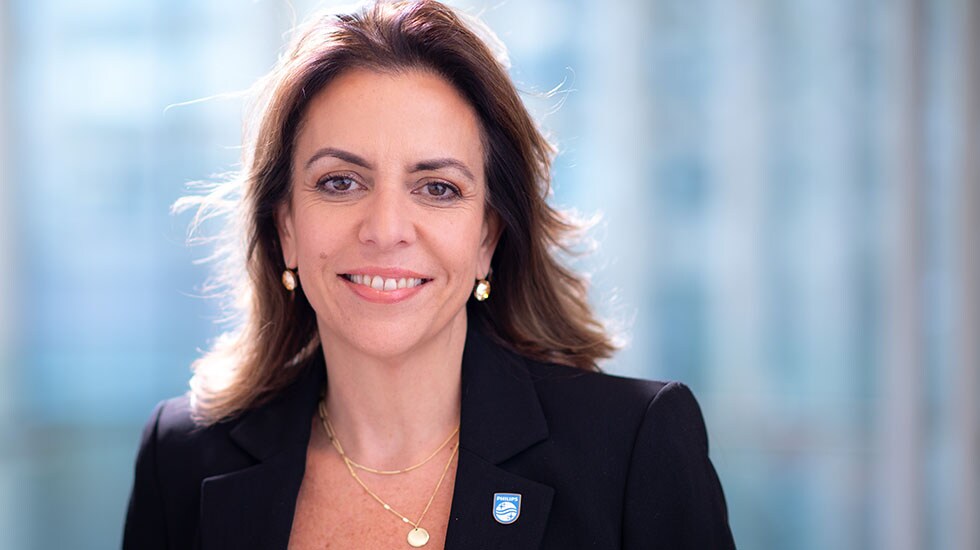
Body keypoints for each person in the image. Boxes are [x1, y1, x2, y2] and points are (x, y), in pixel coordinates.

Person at [122, 1, 735, 548]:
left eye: (437, 188)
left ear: (487, 238)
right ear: (285, 226)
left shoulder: (633, 448)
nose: (386, 229)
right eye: (340, 182)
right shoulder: (181, 458)